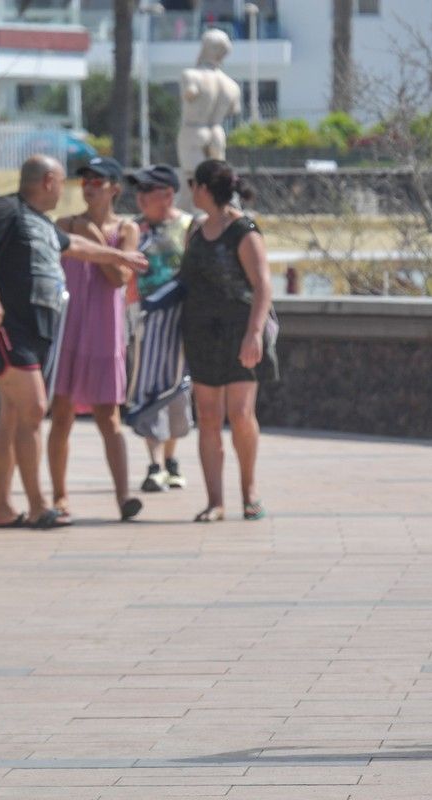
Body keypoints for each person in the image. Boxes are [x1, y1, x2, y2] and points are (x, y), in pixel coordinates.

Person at [0, 155, 148, 530]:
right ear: (48, 181)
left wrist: (119, 255)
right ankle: (39, 505)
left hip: (34, 329)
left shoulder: (40, 222)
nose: (67, 190)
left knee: (12, 417)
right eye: (63, 181)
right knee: (35, 408)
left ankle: (1, 508)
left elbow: (75, 245)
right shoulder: (5, 208)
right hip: (8, 324)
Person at [46, 156, 143, 524]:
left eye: (98, 181)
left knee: (109, 417)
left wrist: (96, 240)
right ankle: (60, 496)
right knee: (62, 414)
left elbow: (120, 277)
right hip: (70, 328)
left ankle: (124, 496)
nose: (89, 187)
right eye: (85, 180)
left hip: (105, 331)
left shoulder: (127, 230)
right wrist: (83, 233)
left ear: (115, 189)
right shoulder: (64, 225)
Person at [179, 159, 276, 522]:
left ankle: (249, 492)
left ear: (204, 188)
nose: (191, 191)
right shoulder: (195, 229)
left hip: (239, 330)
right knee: (207, 416)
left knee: (239, 413)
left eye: (193, 184)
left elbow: (263, 284)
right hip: (201, 331)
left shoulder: (244, 230)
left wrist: (254, 334)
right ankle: (215, 501)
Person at [126, 164, 197, 493]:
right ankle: (154, 464)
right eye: (138, 190)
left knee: (178, 391)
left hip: (181, 322)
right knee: (146, 389)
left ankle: (171, 459)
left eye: (147, 190)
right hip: (144, 322)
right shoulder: (133, 230)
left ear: (168, 193)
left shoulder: (188, 226)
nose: (140, 197)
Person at [177, 29, 241, 180]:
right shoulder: (232, 85)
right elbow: (234, 110)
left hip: (194, 130)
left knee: (193, 181)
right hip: (217, 133)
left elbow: (189, 93)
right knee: (217, 182)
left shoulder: (191, 75)